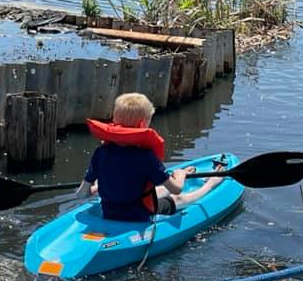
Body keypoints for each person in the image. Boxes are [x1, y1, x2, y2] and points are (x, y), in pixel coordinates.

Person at [76, 92, 223, 222]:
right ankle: (211, 184)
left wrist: (96, 188)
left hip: (109, 213)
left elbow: (82, 194)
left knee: (158, 191)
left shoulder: (101, 152)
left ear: (115, 119)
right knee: (178, 198)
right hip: (140, 216)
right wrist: (181, 174)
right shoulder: (146, 157)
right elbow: (177, 189)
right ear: (143, 124)